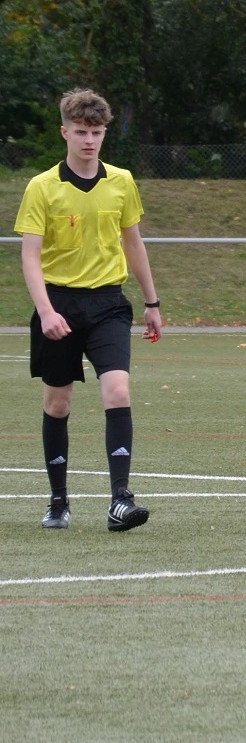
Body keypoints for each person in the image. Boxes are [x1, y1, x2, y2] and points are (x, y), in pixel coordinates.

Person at [14, 88, 161, 532]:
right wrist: (45, 311)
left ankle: (120, 500)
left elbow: (133, 243)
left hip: (108, 304)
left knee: (118, 391)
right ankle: (58, 500)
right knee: (58, 404)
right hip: (58, 304)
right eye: (80, 132)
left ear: (104, 133)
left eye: (96, 132)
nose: (89, 140)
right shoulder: (42, 187)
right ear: (65, 132)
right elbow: (30, 257)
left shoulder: (122, 181)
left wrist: (151, 302)